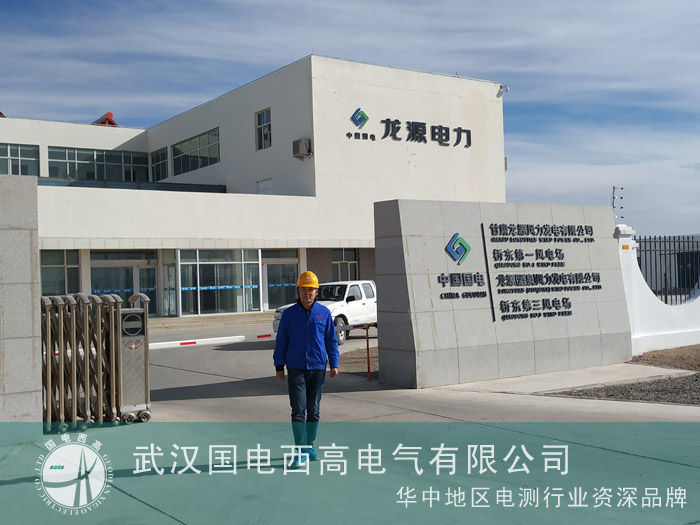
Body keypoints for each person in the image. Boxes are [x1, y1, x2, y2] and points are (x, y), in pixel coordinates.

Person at [273, 270, 339, 468]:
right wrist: (279, 366)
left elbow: (331, 340)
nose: (307, 293)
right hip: (296, 369)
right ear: (298, 291)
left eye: (311, 289)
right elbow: (281, 341)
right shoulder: (289, 315)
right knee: (298, 411)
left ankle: (309, 445)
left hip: (317, 368)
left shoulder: (324, 313)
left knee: (314, 411)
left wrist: (334, 363)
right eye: (304, 289)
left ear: (316, 292)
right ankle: (300, 451)